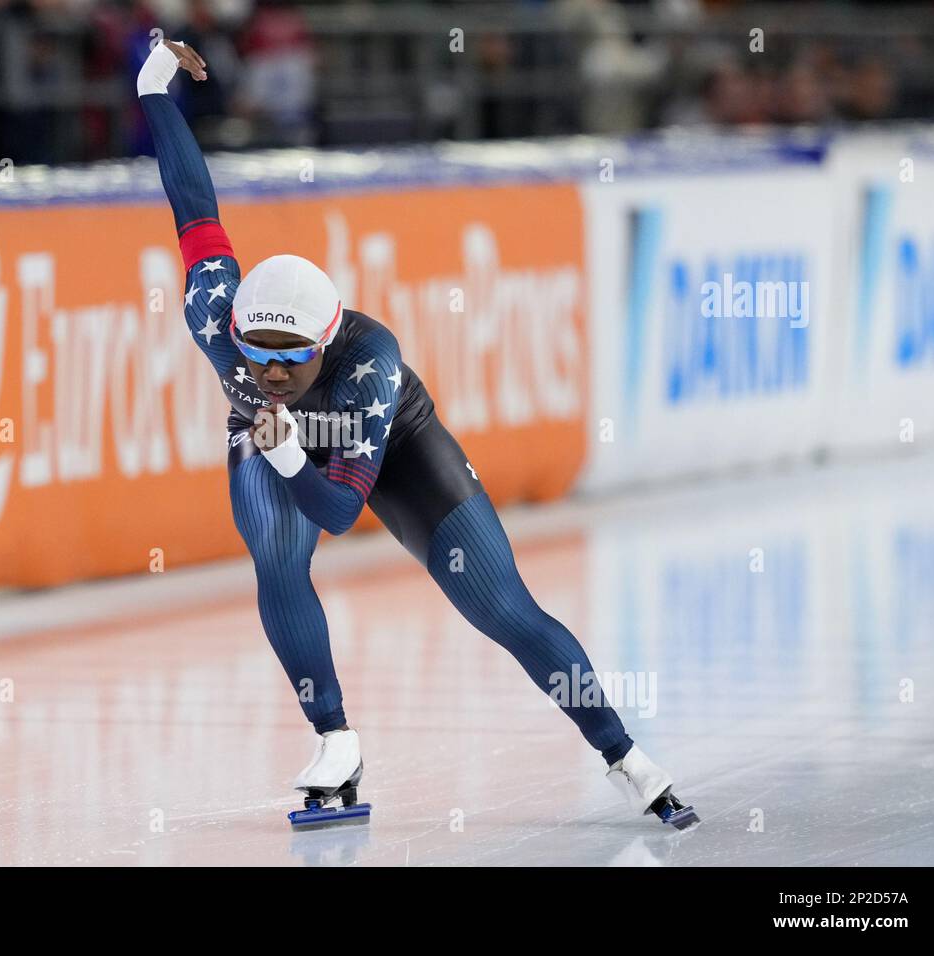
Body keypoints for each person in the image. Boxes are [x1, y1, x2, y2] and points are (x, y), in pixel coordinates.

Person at [137, 38, 697, 830]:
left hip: (388, 442)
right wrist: (154, 85)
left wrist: (284, 439)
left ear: (325, 344)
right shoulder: (213, 310)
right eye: (254, 354)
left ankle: (624, 754)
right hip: (273, 441)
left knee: (502, 609)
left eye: (289, 360)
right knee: (275, 555)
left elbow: (339, 512)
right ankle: (335, 739)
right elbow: (193, 202)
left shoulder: (371, 364)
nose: (267, 371)